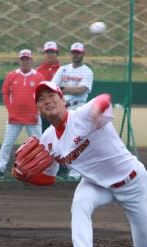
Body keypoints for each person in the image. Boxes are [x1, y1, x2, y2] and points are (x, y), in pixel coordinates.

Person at [15, 81, 147, 247]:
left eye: (51, 96)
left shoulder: (82, 116)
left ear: (63, 100)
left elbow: (103, 99)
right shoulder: (48, 139)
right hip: (96, 184)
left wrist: (97, 112)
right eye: (41, 99)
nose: (46, 101)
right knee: (79, 203)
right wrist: (28, 177)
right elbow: (49, 178)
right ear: (39, 110)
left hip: (131, 182)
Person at [0, 49, 45, 179]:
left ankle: (42, 169)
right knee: (7, 143)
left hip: (33, 117)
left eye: (27, 59)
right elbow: (5, 93)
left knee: (40, 144)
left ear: (31, 60)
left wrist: (38, 110)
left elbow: (43, 96)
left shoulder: (39, 76)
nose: (25, 61)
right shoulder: (11, 75)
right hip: (14, 117)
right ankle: (0, 168)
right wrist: (10, 109)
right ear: (19, 60)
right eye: (23, 59)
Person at [51, 42, 93, 180]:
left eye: (78, 52)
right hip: (62, 110)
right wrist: (64, 89)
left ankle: (76, 172)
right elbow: (53, 86)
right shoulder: (63, 69)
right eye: (74, 52)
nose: (76, 55)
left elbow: (82, 89)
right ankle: (56, 170)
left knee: (76, 141)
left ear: (83, 54)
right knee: (58, 140)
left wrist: (65, 88)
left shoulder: (87, 71)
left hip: (78, 108)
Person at [36, 41, 60, 132]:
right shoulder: (37, 71)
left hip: (59, 109)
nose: (50, 55)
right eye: (47, 52)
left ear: (56, 54)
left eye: (52, 52)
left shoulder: (63, 70)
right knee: (45, 134)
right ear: (44, 54)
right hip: (43, 109)